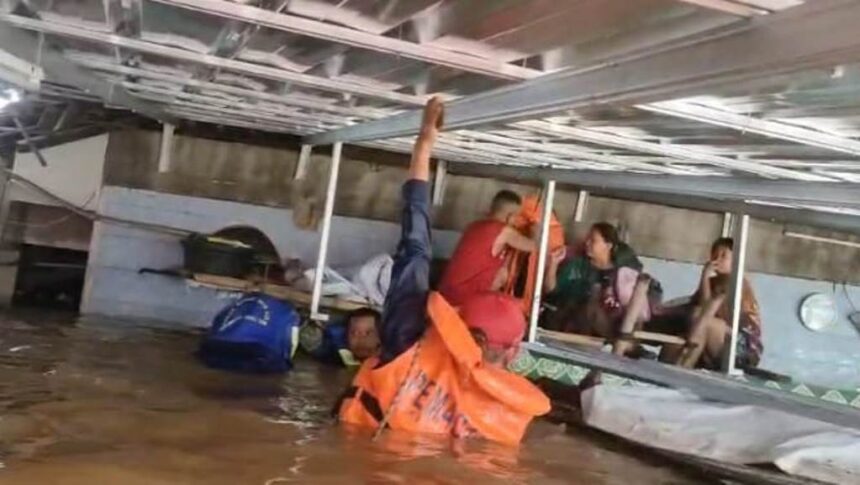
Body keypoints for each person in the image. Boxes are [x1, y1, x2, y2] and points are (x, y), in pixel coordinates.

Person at [338, 97, 550, 445]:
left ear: (458, 322)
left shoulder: (407, 337)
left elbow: (415, 242)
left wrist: (424, 143)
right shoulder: (506, 418)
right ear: (514, 353)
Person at [543, 223, 657, 351]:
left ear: (608, 246)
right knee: (592, 299)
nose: (587, 243)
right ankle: (622, 344)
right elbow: (551, 290)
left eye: (593, 240)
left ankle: (627, 344)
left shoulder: (621, 274)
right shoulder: (577, 265)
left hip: (610, 326)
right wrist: (553, 264)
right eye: (587, 239)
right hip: (574, 322)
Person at [438, 189, 537, 307]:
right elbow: (533, 246)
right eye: (517, 217)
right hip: (464, 300)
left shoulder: (473, 226)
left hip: (445, 295)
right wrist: (537, 230)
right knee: (518, 306)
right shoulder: (503, 231)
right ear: (511, 216)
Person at [677, 238, 763, 369]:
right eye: (715, 255)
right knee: (684, 334)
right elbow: (697, 307)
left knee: (703, 321)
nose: (717, 259)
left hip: (742, 345)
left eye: (724, 256)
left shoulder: (735, 282)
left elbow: (707, 310)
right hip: (718, 334)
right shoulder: (714, 282)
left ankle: (685, 367)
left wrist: (704, 277)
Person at [300, 307, 382, 367]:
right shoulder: (330, 353)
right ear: (346, 337)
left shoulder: (390, 363)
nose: (361, 340)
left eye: (368, 333)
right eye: (354, 333)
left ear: (380, 337)